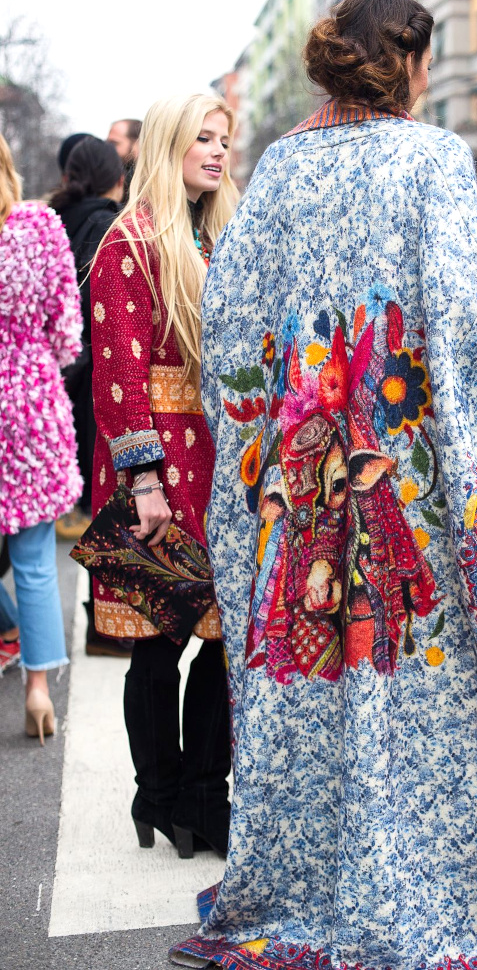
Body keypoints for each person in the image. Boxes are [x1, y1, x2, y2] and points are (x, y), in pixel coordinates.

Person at [170, 0, 477, 967]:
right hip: (406, 493)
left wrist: (260, 451)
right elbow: (464, 318)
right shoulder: (429, 159)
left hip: (299, 492)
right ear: (406, 62)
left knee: (312, 687)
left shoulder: (281, 167)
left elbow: (229, 324)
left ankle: (303, 885)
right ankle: (416, 888)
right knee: (411, 694)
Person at [90, 94, 239, 855]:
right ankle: (160, 791)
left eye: (223, 139)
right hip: (150, 466)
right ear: (170, 144)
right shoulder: (132, 241)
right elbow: (117, 370)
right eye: (201, 139)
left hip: (213, 463)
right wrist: (144, 479)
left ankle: (203, 796)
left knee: (220, 636)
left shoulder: (213, 234)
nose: (217, 151)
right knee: (155, 642)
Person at [0, 132, 83, 743]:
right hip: (29, 402)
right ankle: (37, 689)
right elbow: (67, 334)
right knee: (34, 562)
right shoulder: (39, 227)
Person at [50, 137, 124, 549]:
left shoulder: (51, 218)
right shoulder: (109, 225)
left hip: (54, 364)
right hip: (94, 362)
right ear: (117, 179)